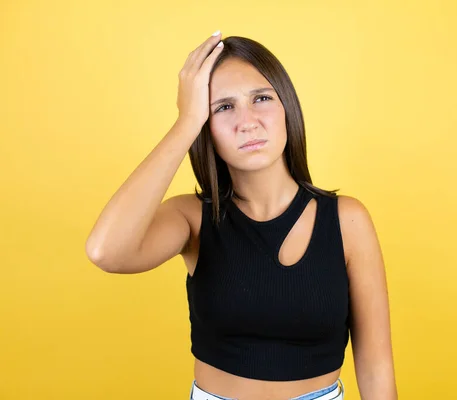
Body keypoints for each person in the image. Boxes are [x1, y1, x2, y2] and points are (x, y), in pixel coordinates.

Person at [85, 30, 397, 400]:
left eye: (261, 98)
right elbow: (106, 251)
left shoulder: (347, 220)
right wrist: (186, 122)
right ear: (205, 125)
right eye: (224, 107)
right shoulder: (192, 219)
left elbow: (376, 368)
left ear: (287, 108)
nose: (247, 122)